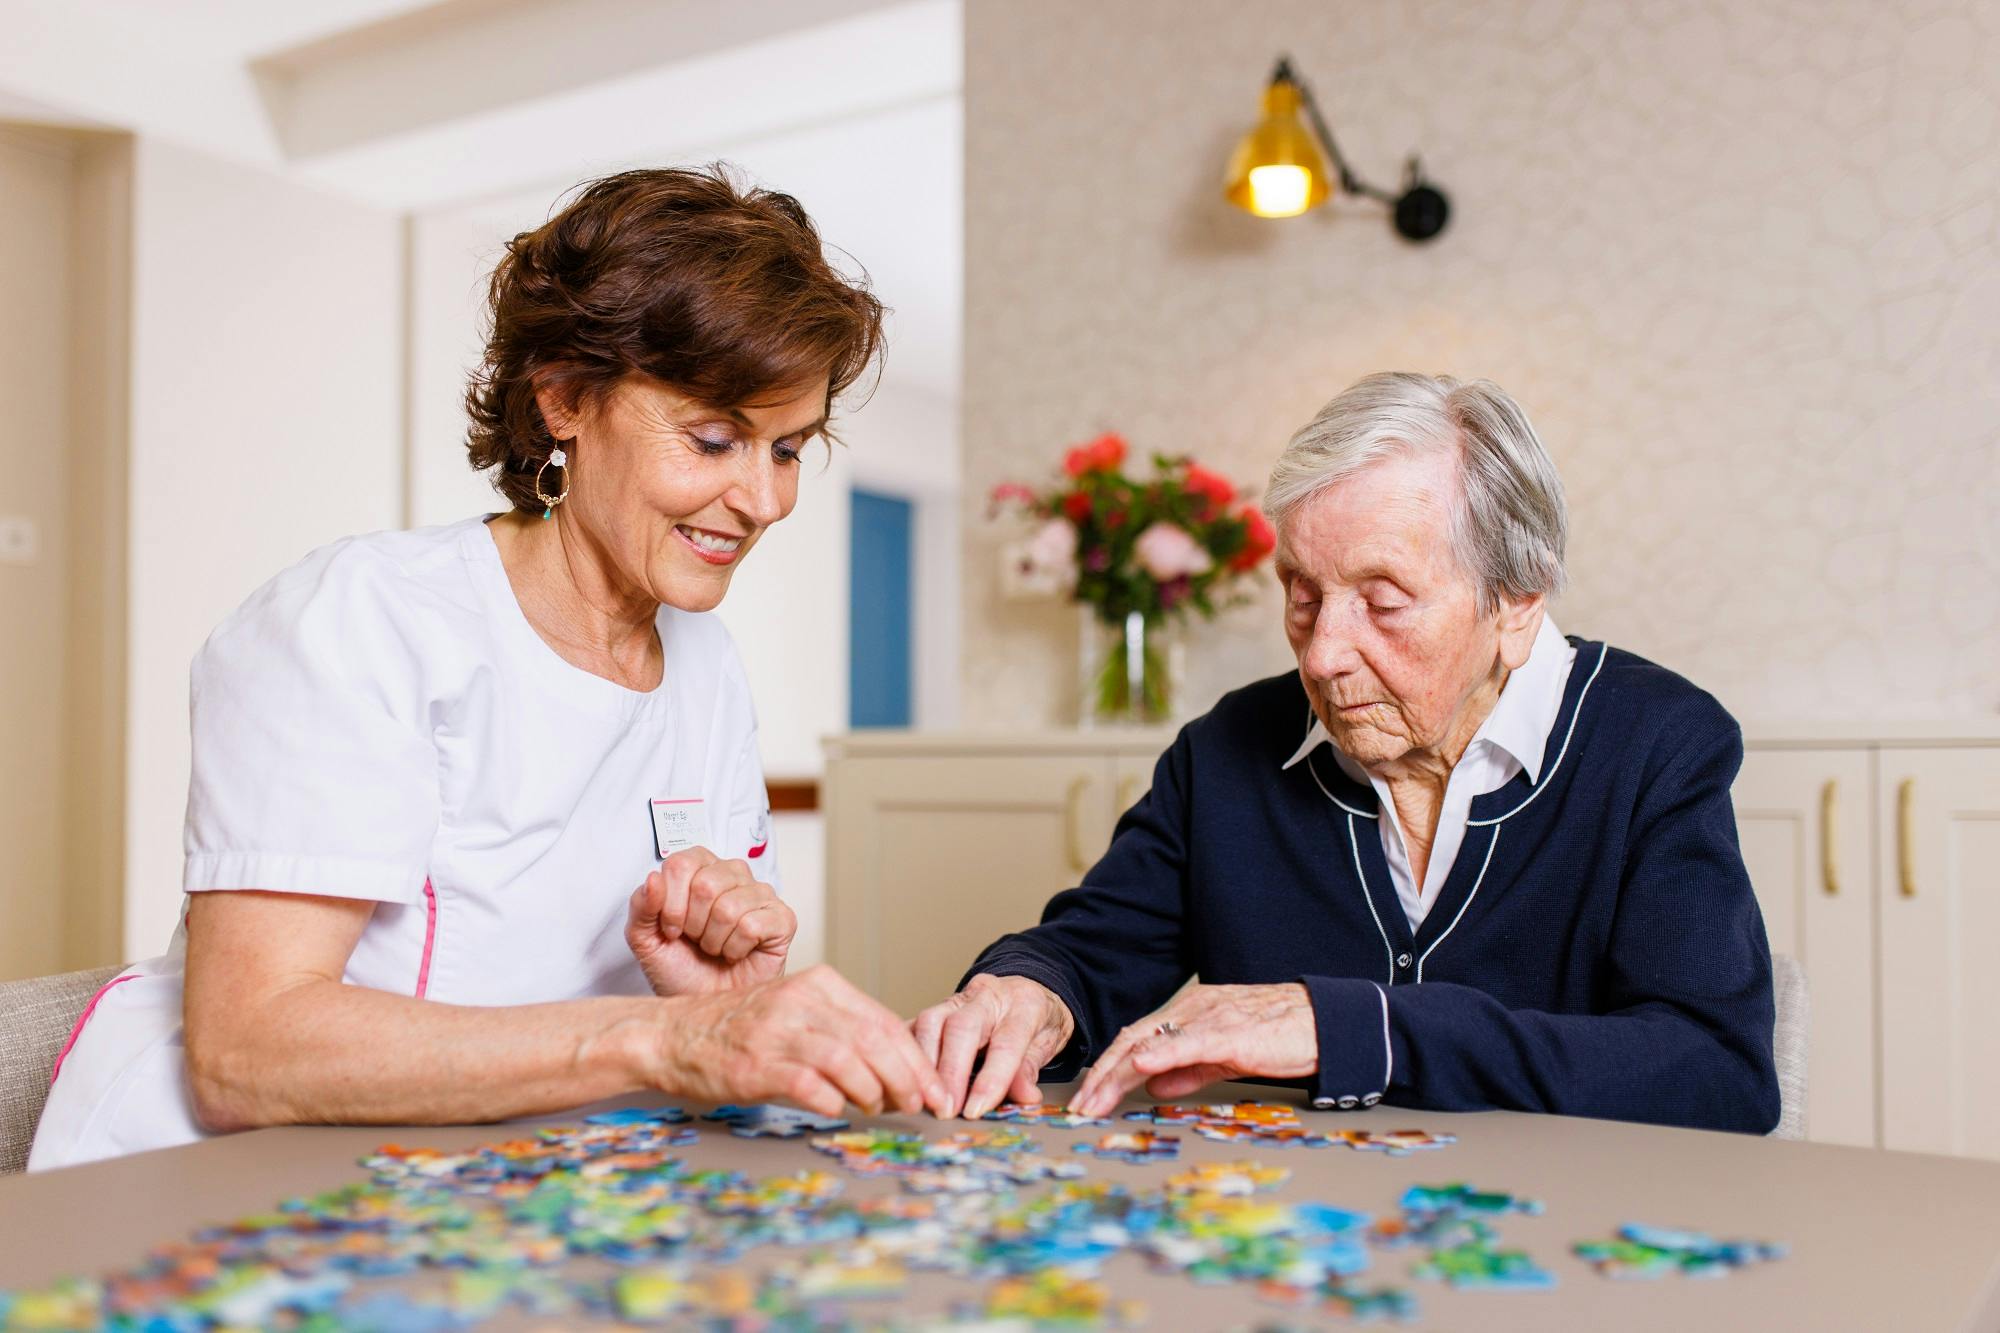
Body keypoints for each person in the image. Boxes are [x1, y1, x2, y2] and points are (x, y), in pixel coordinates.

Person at [32, 166, 946, 1171]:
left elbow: (671, 1013)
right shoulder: (359, 618)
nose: (764, 499)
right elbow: (247, 1051)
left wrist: (716, 991)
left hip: (510, 1182)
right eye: (715, 438)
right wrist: (666, 1040)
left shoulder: (704, 662)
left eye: (787, 449)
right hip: (213, 1180)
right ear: (562, 399)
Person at [915, 372, 1780, 1134]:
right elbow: (1090, 951)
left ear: (1516, 600)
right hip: (1289, 1258)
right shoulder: (1225, 752)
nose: (1323, 652)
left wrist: (1350, 1026)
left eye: (1383, 600)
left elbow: (1713, 1070)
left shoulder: (1656, 742)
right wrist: (1027, 992)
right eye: (1302, 593)